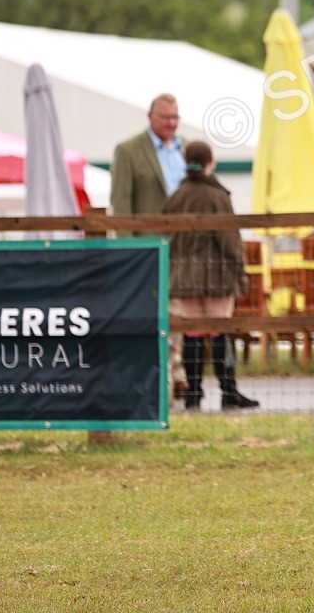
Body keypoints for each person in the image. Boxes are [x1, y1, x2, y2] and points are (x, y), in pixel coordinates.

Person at [164, 141, 258, 411]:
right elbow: (229, 240)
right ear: (210, 161)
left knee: (192, 333)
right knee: (220, 332)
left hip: (184, 276)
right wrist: (240, 272)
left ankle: (194, 395)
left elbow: (167, 236)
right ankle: (229, 391)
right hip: (217, 274)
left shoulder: (176, 196)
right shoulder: (217, 196)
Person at [112, 93, 189, 400]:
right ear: (151, 117)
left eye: (175, 118)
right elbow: (120, 205)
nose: (171, 123)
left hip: (183, 249)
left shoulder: (184, 149)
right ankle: (164, 384)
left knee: (180, 315)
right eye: (165, 117)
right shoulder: (129, 151)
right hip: (147, 251)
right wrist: (129, 255)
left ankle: (177, 372)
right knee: (155, 315)